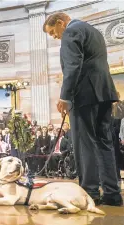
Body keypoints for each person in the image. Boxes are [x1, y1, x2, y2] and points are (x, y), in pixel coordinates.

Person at [44, 12, 122, 206]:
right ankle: (112, 193)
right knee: (104, 144)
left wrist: (64, 97)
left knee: (84, 144)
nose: (55, 37)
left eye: (54, 32)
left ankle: (90, 193)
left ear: (61, 23)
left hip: (85, 96)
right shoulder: (93, 31)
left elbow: (72, 66)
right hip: (105, 94)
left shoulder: (71, 32)